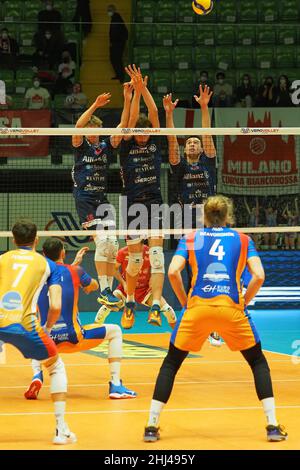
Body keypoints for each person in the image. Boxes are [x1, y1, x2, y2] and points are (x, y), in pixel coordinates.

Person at [143, 195, 288, 443]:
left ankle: (151, 427)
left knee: (171, 363)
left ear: (205, 217)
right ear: (228, 215)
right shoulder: (243, 240)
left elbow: (172, 271)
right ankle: (273, 426)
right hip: (231, 309)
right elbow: (260, 276)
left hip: (197, 308)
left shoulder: (191, 238)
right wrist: (244, 301)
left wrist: (184, 302)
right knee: (257, 361)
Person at [24, 238, 136, 400]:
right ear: (63, 253)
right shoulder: (75, 271)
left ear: (44, 254)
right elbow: (93, 286)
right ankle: (116, 384)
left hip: (46, 343)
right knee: (116, 331)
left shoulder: (35, 275)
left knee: (34, 329)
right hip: (74, 337)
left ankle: (37, 375)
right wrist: (78, 273)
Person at [0, 220, 76, 445]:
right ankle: (60, 430)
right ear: (36, 240)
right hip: (26, 326)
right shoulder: (48, 266)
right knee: (55, 366)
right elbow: (55, 306)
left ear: (13, 240)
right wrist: (48, 328)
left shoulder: (2, 259)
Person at [165, 84, 219, 346]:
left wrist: (205, 107)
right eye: (190, 142)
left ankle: (213, 321)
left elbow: (207, 132)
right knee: (189, 269)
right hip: (186, 218)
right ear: (185, 150)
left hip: (210, 219)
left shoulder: (209, 160)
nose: (194, 144)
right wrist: (168, 115)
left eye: (197, 142)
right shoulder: (179, 164)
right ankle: (192, 315)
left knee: (211, 268)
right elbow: (171, 139)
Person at [72, 83, 133, 310]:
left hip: (102, 198)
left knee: (112, 243)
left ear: (98, 129)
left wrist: (127, 99)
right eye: (88, 128)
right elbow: (78, 125)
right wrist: (95, 105)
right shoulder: (80, 146)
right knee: (102, 240)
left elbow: (124, 125)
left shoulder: (106, 145)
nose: (90, 131)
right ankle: (105, 290)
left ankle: (106, 290)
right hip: (85, 198)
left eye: (93, 128)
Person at [118, 65, 165, 329]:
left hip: (155, 202)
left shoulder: (154, 144)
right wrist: (135, 92)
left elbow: (154, 113)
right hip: (132, 206)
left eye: (146, 131)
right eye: (139, 130)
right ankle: (129, 302)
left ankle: (155, 306)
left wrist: (144, 88)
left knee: (157, 255)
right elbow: (134, 117)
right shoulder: (126, 147)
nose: (143, 133)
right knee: (135, 260)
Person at [95, 243, 177, 329]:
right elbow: (114, 269)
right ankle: (94, 336)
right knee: (104, 310)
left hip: (145, 290)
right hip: (125, 290)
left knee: (168, 311)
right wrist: (123, 283)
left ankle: (177, 337)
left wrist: (153, 279)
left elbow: (156, 269)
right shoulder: (123, 252)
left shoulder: (150, 252)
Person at [107, 4, 128, 82]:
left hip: (118, 43)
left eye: (110, 10)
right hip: (116, 43)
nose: (108, 12)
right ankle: (119, 75)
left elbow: (117, 32)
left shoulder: (116, 18)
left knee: (117, 60)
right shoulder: (115, 18)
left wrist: (115, 41)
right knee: (115, 59)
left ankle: (121, 76)